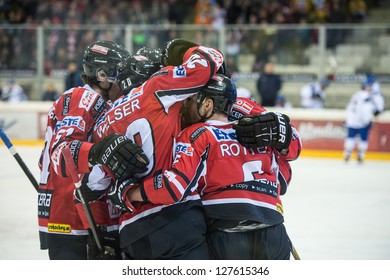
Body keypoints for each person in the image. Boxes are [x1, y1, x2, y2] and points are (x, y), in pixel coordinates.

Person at [124, 74, 301, 259]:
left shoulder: (197, 134)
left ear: (207, 104)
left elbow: (175, 185)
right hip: (274, 230)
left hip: (228, 233)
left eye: (191, 101)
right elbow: (283, 179)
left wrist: (132, 193)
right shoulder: (260, 136)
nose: (185, 106)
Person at [89, 39, 226, 260]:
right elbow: (210, 58)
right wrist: (186, 50)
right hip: (176, 217)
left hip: (131, 229)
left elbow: (96, 182)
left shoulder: (103, 122)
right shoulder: (156, 87)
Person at [37, 40, 148, 260]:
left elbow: (44, 161)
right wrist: (99, 152)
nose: (125, 82)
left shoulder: (96, 102)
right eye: (119, 73)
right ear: (102, 75)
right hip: (71, 216)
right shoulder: (84, 98)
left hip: (69, 211)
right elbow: (61, 152)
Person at [343, 79, 385, 163]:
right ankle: (360, 156)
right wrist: (367, 121)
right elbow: (364, 111)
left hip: (351, 122)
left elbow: (349, 108)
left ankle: (347, 154)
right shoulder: (367, 97)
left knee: (350, 138)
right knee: (363, 140)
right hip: (362, 123)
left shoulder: (356, 94)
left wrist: (348, 120)